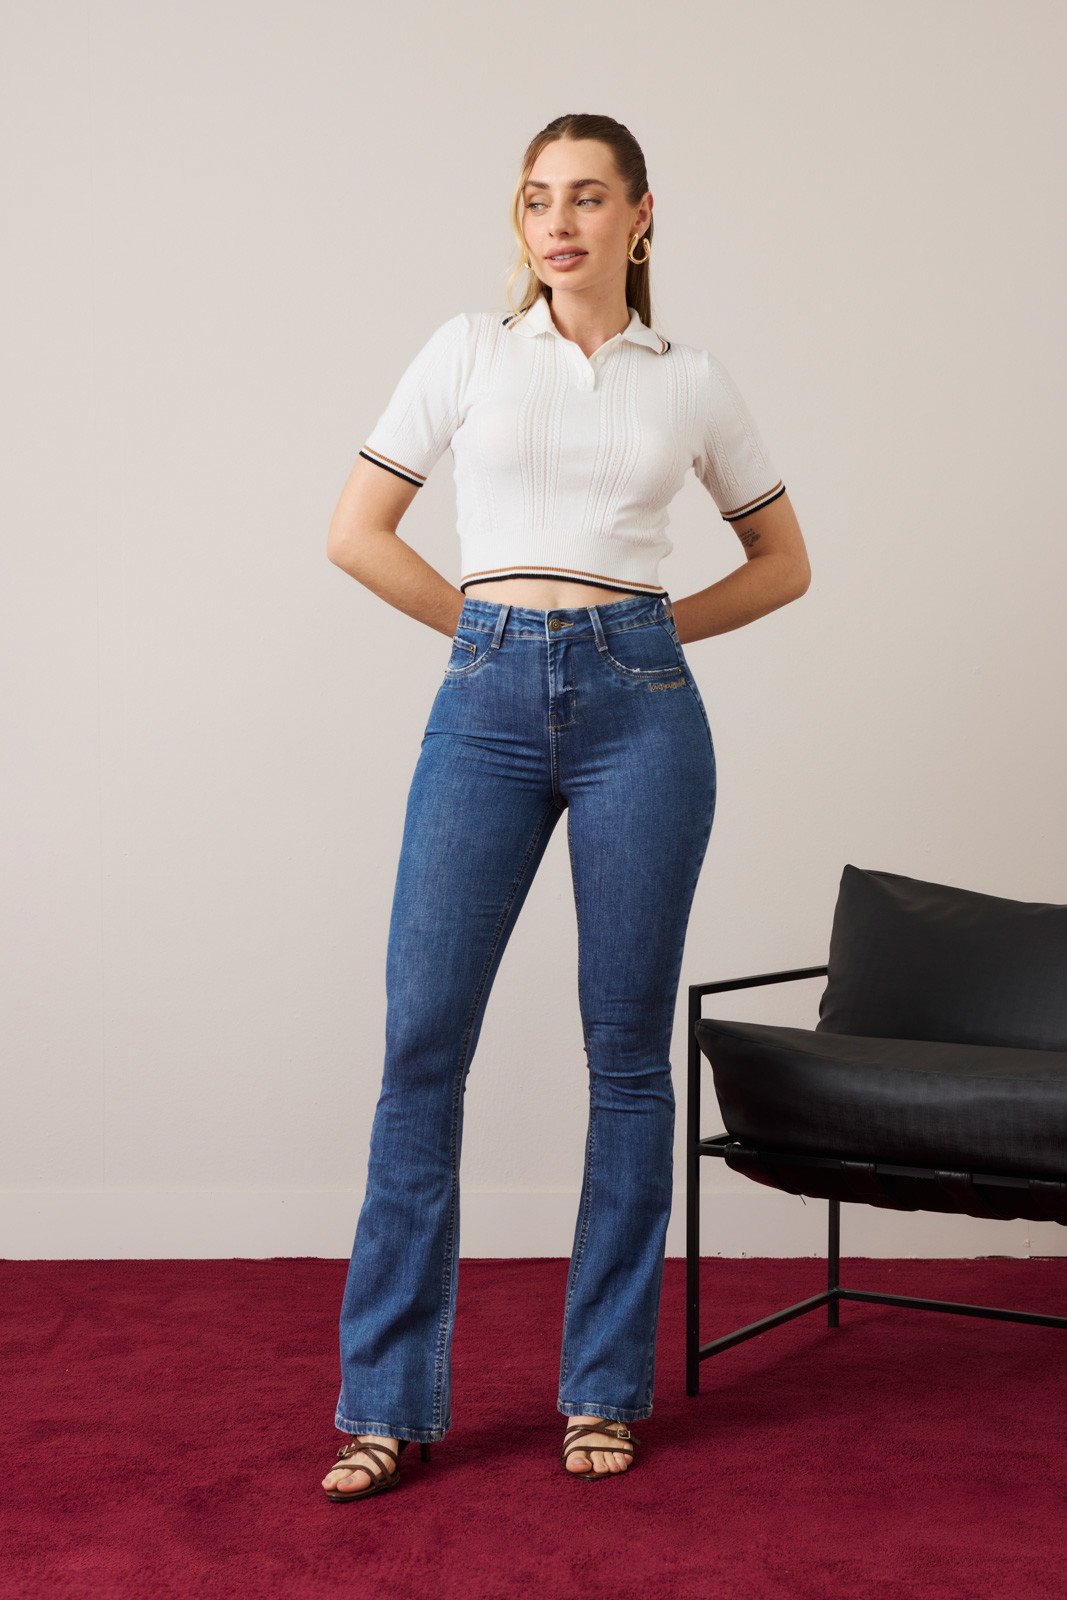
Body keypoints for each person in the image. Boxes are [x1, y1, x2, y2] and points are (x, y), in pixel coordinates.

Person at [321, 112, 811, 1502]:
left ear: (641, 215)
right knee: (422, 1045)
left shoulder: (688, 379)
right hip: (483, 706)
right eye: (538, 199)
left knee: (628, 1057)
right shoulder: (468, 351)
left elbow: (783, 560)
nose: (558, 223)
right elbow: (356, 532)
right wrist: (486, 634)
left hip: (640, 721)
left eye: (588, 198)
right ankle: (385, 1406)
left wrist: (643, 637)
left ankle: (602, 1389)